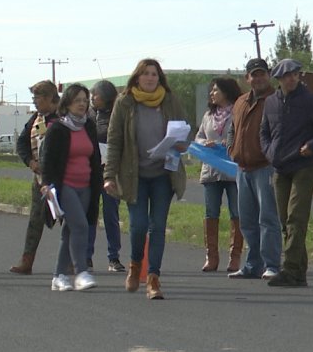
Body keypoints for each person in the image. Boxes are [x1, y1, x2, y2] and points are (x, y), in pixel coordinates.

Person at [103, 58, 187, 300]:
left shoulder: (170, 100)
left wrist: (181, 143)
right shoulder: (125, 102)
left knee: (158, 227)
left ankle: (153, 279)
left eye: (155, 74)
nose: (151, 78)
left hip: (163, 174)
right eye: (146, 74)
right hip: (134, 176)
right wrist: (109, 175)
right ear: (137, 77)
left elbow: (183, 130)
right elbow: (115, 141)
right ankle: (134, 265)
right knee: (138, 225)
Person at [260, 59, 313, 287]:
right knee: (284, 220)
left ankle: (290, 269)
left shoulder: (309, 100)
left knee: (297, 217)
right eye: (287, 75)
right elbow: (264, 132)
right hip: (280, 167)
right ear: (278, 79)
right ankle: (299, 273)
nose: (292, 78)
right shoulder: (270, 103)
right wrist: (269, 153)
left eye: (295, 74)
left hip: (304, 166)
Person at [40, 84, 102, 291]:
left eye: (85, 100)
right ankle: (81, 271)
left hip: (86, 186)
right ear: (67, 104)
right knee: (81, 226)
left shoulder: (89, 126)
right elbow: (47, 160)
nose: (82, 104)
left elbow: (95, 157)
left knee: (70, 230)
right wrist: (46, 185)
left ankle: (59, 276)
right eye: (78, 101)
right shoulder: (58, 128)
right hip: (64, 185)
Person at [226, 58, 283, 281]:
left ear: (268, 75)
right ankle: (252, 264)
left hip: (265, 167)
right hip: (242, 168)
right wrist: (232, 149)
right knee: (247, 219)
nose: (258, 78)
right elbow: (232, 129)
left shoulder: (276, 99)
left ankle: (272, 265)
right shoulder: (240, 101)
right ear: (247, 78)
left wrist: (271, 154)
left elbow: (280, 133)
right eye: (254, 74)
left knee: (268, 218)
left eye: (262, 73)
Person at [8, 80, 59, 275]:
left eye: (37, 98)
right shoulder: (35, 120)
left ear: (48, 98)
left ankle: (75, 260)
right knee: (35, 220)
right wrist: (30, 162)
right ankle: (27, 261)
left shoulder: (63, 118)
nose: (35, 102)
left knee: (68, 219)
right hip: (39, 179)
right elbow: (22, 143)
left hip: (61, 179)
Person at [194, 77, 243, 272]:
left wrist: (224, 143)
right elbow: (198, 137)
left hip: (232, 169)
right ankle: (211, 256)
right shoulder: (208, 115)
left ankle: (235, 257)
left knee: (236, 212)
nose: (212, 94)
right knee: (211, 212)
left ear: (226, 92)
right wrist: (204, 143)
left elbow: (241, 136)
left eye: (215, 90)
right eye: (211, 91)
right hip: (211, 171)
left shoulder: (238, 112)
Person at [86, 79, 125, 272]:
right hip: (90, 171)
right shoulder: (88, 114)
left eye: (97, 95)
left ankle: (114, 257)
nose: (93, 98)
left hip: (110, 172)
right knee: (90, 214)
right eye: (92, 94)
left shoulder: (117, 115)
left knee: (111, 214)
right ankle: (86, 256)